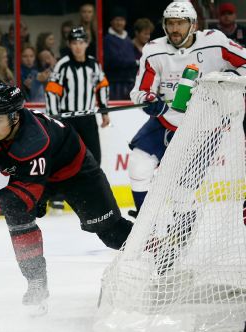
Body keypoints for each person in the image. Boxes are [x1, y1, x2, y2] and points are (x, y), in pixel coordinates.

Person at [0, 83, 133, 313]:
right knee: (17, 214)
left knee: (110, 232)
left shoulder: (33, 138)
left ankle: (154, 250)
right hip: (31, 175)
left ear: (15, 118)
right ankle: (36, 282)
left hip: (75, 173)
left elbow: (28, 192)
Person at [128, 1, 246, 217]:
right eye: (170, 23)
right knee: (138, 165)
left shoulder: (215, 42)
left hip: (206, 125)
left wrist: (228, 80)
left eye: (180, 23)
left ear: (192, 24)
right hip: (167, 121)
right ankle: (147, 227)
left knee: (185, 187)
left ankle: (183, 227)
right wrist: (150, 101)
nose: (174, 29)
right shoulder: (154, 50)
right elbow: (140, 91)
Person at [45, 27, 110, 166]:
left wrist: (104, 111)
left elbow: (102, 86)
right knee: (67, 159)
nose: (78, 47)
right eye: (74, 43)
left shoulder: (94, 64)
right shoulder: (62, 65)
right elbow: (51, 91)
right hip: (68, 119)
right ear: (69, 44)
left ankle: (92, 187)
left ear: (87, 43)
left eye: (81, 43)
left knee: (94, 158)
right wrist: (55, 118)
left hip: (88, 117)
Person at [103, 7, 136, 100]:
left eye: (122, 20)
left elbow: (130, 58)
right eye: (117, 20)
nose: (119, 23)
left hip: (129, 83)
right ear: (111, 22)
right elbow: (113, 61)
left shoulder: (128, 40)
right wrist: (134, 62)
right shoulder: (107, 39)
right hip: (114, 84)